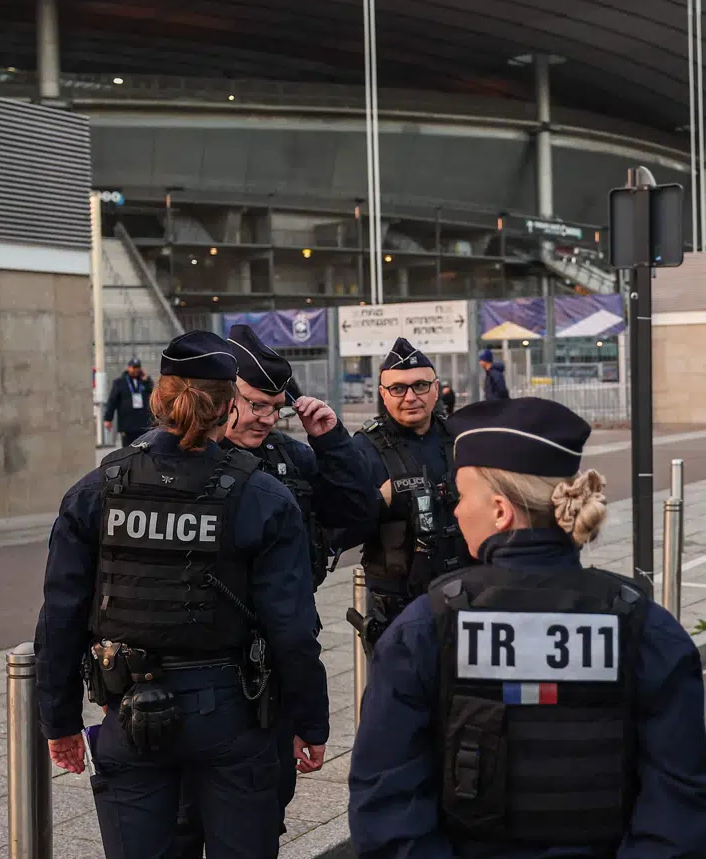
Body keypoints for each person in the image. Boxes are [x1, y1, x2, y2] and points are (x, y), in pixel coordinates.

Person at [347, 397, 706, 858]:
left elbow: (387, 808)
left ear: (500, 511)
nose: (457, 511)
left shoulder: (425, 627)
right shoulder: (645, 627)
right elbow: (679, 808)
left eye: (462, 496)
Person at [35, 330, 330, 859]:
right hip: (232, 713)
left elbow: (61, 616)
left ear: (157, 398)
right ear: (228, 408)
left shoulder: (97, 489)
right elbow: (291, 625)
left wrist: (58, 721)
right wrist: (310, 722)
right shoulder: (261, 495)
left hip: (126, 708)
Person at [171, 325, 379, 857]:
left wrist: (329, 441)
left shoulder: (289, 456)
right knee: (179, 820)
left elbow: (355, 517)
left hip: (274, 664)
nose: (266, 418)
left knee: (260, 813)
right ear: (218, 397)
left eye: (274, 409)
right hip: (191, 659)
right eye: (254, 405)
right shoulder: (169, 463)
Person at [340, 338, 468, 637]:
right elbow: (341, 530)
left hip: (463, 589)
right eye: (398, 389)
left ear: (436, 389)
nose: (410, 397)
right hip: (397, 602)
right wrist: (378, 501)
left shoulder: (462, 438)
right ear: (383, 395)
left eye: (420, 386)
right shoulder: (364, 447)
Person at [103, 357, 155, 445]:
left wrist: (147, 381)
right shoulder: (120, 382)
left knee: (143, 449)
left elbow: (153, 395)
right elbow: (112, 401)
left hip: (143, 423)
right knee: (128, 449)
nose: (136, 370)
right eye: (133, 367)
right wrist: (108, 419)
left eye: (138, 367)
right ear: (128, 368)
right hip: (127, 424)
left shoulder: (144, 381)